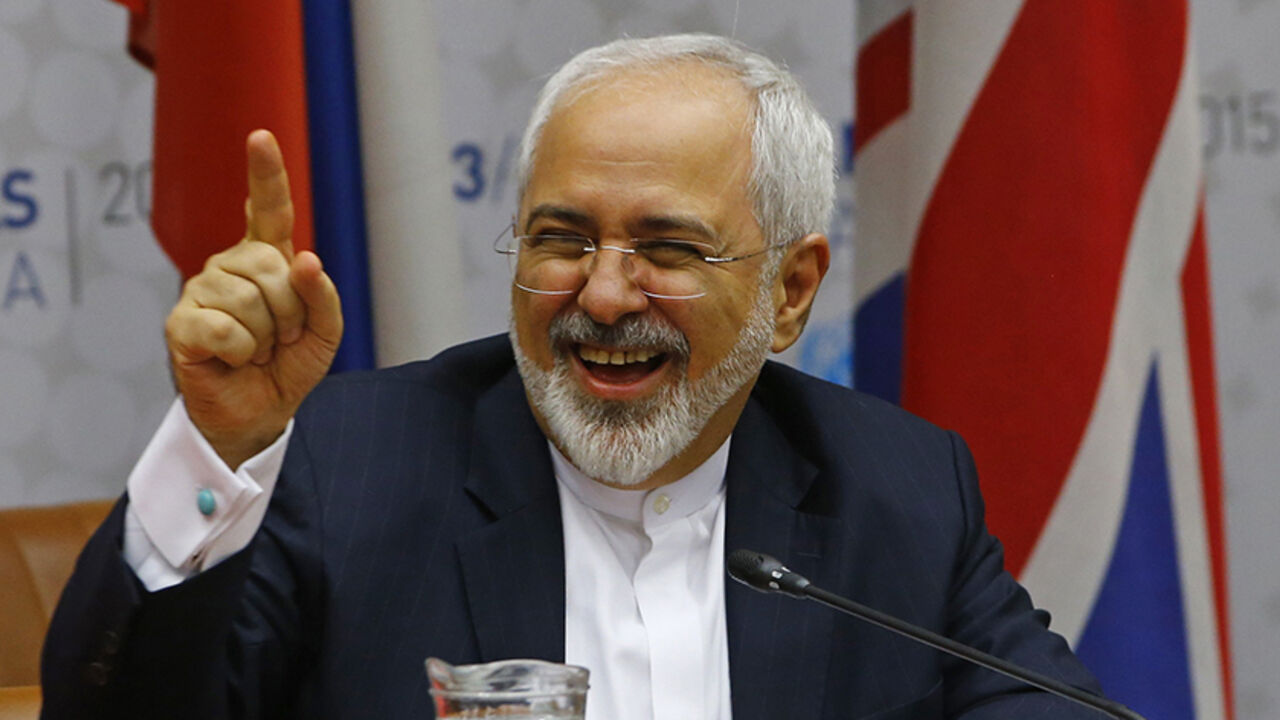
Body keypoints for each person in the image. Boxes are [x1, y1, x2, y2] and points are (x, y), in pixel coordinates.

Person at [42, 34, 1102, 719]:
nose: (600, 295)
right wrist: (220, 446)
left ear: (788, 291)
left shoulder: (894, 491)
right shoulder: (348, 463)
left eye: (667, 249)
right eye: (560, 238)